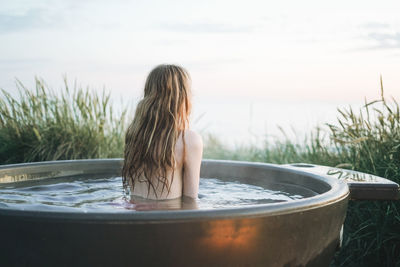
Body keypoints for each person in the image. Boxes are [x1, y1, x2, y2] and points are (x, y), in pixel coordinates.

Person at [122, 64, 203, 202]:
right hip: (166, 219)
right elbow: (190, 199)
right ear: (182, 97)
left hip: (133, 216)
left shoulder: (134, 135)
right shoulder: (188, 140)